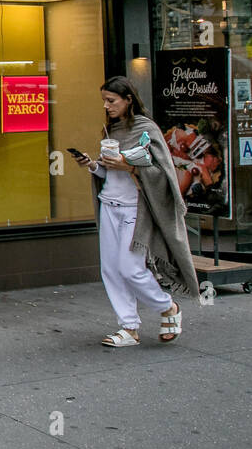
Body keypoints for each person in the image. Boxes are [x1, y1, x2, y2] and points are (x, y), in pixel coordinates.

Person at [76, 76, 199, 347]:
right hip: (109, 203)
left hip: (135, 208)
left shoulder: (146, 128)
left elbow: (162, 173)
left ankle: (168, 307)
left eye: (111, 101)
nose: (107, 107)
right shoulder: (112, 130)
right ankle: (128, 327)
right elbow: (109, 172)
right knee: (110, 269)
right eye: (104, 101)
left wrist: (130, 166)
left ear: (128, 99)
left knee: (130, 268)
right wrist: (93, 166)